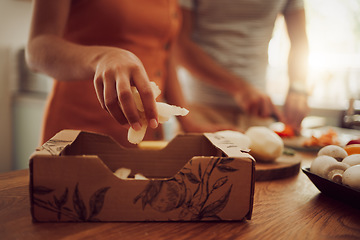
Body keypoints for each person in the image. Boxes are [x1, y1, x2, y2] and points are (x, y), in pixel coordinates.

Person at [26, 0, 224, 148]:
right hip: (80, 133)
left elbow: (164, 52)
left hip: (146, 139)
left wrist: (188, 122)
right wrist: (102, 57)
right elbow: (37, 48)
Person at [174, 0, 310, 135]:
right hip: (200, 112)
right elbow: (179, 45)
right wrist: (240, 88)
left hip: (258, 116)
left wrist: (297, 88)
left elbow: (299, 42)